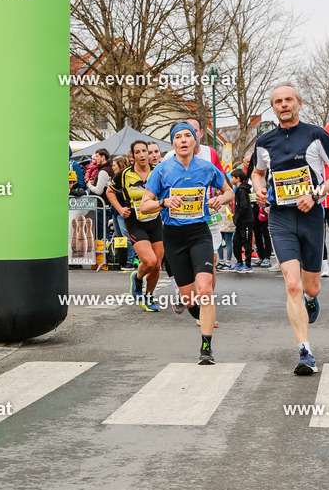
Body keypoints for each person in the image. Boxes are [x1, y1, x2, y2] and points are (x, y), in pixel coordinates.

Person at [251, 83, 329, 376]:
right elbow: (257, 172)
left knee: (310, 286)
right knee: (291, 284)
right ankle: (306, 351)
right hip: (280, 217)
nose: (283, 104)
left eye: (288, 99)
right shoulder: (264, 141)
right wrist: (258, 189)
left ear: (299, 103)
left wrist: (316, 194)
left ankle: (311, 298)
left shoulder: (317, 135)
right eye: (278, 101)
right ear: (274, 106)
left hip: (311, 215)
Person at [139, 122, 234, 364]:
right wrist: (164, 202)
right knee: (190, 297)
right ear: (173, 143)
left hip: (199, 233)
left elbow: (229, 191)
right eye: (178, 137)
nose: (183, 140)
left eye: (187, 136)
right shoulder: (161, 170)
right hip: (173, 236)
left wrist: (220, 199)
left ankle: (206, 348)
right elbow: (144, 205)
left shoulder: (207, 167)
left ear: (195, 141)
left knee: (205, 290)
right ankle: (193, 309)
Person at [106, 140, 164, 311]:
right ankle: (137, 279)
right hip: (134, 220)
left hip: (155, 220)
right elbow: (109, 191)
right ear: (132, 156)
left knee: (158, 264)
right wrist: (119, 208)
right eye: (137, 152)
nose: (142, 155)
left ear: (148, 153)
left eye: (144, 151)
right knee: (149, 260)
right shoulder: (124, 174)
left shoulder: (157, 171)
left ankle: (148, 296)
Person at [109, 156, 135, 269]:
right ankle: (122, 259)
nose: (112, 167)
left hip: (123, 210)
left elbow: (124, 193)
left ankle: (130, 260)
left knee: (126, 236)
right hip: (115, 211)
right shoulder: (115, 177)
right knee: (119, 237)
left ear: (120, 165)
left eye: (114, 165)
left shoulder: (125, 177)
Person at [230, 169, 253, 272]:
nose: (231, 179)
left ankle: (248, 265)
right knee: (236, 242)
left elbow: (243, 206)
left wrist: (237, 217)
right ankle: (239, 262)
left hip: (246, 221)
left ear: (238, 178)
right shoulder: (238, 190)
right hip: (240, 223)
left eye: (232, 177)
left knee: (247, 243)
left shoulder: (242, 190)